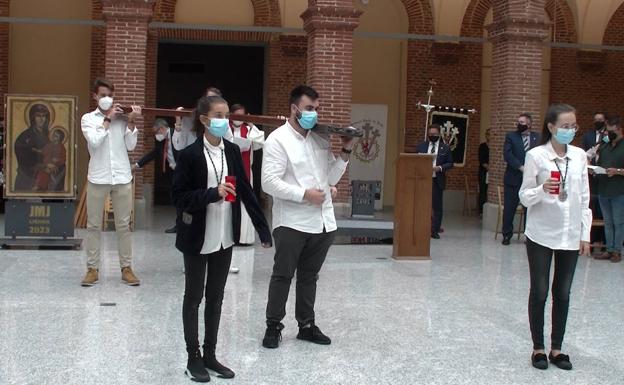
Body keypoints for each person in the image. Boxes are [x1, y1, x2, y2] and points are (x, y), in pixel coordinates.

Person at [172, 95, 272, 382]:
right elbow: (178, 197)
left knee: (216, 297)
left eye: (226, 115)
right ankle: (193, 357)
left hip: (224, 236)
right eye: (218, 115)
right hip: (196, 236)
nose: (224, 121)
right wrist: (211, 194)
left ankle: (210, 354)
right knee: (194, 297)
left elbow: (246, 191)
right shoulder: (190, 154)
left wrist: (262, 229)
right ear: (204, 119)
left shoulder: (230, 150)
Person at [261, 85, 354, 349]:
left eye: (317, 109)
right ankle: (273, 326)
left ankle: (306, 324)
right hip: (292, 220)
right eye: (309, 108)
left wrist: (345, 152)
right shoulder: (277, 140)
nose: (314, 114)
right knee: (283, 275)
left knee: (309, 276)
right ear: (294, 108)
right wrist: (304, 195)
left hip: (322, 221)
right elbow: (269, 182)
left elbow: (330, 178)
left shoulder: (320, 139)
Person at [519, 103, 591, 371]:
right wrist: (541, 189)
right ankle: (538, 347)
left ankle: (557, 348)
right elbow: (524, 196)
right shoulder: (536, 156)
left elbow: (584, 198)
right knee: (539, 291)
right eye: (564, 126)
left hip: (570, 234)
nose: (569, 131)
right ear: (551, 127)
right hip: (541, 233)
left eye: (573, 126)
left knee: (563, 292)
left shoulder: (580, 156)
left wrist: (585, 234)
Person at [80, 78, 142, 287]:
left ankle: (126, 268)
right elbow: (95, 142)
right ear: (95, 96)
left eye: (110, 95)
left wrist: (131, 121)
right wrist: (107, 119)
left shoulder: (121, 118)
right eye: (103, 94)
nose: (107, 98)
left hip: (122, 176)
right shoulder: (88, 119)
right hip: (98, 177)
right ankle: (92, 269)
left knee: (123, 225)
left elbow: (131, 146)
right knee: (94, 225)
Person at [229, 103, 265, 245]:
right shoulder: (226, 127)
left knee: (245, 203)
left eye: (242, 116)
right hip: (229, 172)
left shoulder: (248, 129)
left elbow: (259, 142)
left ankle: (244, 238)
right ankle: (230, 236)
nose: (239, 119)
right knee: (230, 202)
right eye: (236, 115)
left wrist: (250, 123)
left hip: (245, 173)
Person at [132, 118, 177, 233]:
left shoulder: (177, 134)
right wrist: (137, 165)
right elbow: (153, 154)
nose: (156, 135)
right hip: (174, 171)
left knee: (181, 197)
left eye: (156, 132)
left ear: (162, 128)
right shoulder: (162, 141)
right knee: (176, 197)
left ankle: (183, 225)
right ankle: (179, 224)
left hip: (183, 170)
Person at [502, 113, 540, 245]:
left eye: (522, 122)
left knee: (529, 209)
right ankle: (507, 235)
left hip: (531, 180)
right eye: (518, 122)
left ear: (529, 124)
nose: (519, 124)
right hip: (513, 178)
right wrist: (520, 167)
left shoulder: (538, 137)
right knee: (509, 208)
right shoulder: (511, 136)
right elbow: (508, 155)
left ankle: (529, 236)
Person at [594, 115, 624, 262]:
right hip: (603, 189)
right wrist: (595, 169)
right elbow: (601, 163)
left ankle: (617, 251)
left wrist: (618, 171)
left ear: (619, 129)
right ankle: (609, 249)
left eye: (612, 131)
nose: (609, 134)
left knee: (618, 222)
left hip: (619, 191)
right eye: (607, 131)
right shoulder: (605, 146)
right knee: (608, 222)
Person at [415, 124, 453, 239]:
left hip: (437, 179)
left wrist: (440, 168)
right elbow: (415, 160)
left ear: (439, 135)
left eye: (435, 134)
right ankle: (421, 227)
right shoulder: (421, 146)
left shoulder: (444, 148)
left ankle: (435, 230)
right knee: (422, 205)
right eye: (430, 134)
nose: (432, 136)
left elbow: (450, 163)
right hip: (422, 180)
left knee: (437, 206)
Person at [14, 103, 51, 191]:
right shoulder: (25, 136)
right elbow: (21, 154)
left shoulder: (48, 136)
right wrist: (41, 165)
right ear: (33, 118)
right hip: (27, 178)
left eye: (44, 116)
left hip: (44, 177)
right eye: (38, 116)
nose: (42, 119)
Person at [34, 127, 67, 191]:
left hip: (56, 166)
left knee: (46, 172)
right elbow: (43, 151)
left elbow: (63, 159)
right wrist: (36, 150)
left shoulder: (61, 148)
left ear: (60, 139)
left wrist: (57, 160)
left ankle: (41, 186)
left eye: (56, 136)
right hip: (47, 163)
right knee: (42, 171)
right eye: (54, 135)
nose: (54, 137)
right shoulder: (49, 145)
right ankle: (39, 185)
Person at [478, 129, 490, 215]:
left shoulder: (495, 146)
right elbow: (481, 160)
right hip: (483, 172)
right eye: (488, 134)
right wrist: (487, 167)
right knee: (483, 190)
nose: (489, 136)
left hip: (492, 172)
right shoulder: (482, 146)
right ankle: (481, 210)